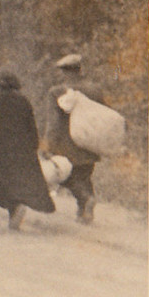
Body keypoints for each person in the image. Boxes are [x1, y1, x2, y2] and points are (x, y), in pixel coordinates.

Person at [0, 70, 55, 230]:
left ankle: (14, 208)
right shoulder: (24, 101)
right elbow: (32, 127)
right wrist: (33, 147)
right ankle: (15, 209)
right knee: (15, 183)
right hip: (20, 152)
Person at [42, 53, 105, 224]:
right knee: (84, 175)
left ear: (64, 72)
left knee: (66, 176)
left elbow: (53, 123)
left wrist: (48, 145)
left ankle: (86, 200)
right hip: (91, 142)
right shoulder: (95, 90)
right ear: (79, 70)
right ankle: (84, 212)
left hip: (67, 145)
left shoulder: (56, 92)